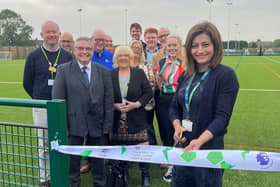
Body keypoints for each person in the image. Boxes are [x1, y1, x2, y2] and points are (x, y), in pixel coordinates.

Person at [169, 21, 239, 187]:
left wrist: (199, 141)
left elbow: (222, 118)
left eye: (205, 44)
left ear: (215, 45)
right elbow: (174, 107)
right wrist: (177, 125)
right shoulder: (186, 75)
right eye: (195, 46)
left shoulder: (225, 76)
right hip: (184, 147)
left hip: (208, 150)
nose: (200, 50)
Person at [52, 37, 114, 187]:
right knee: (73, 166)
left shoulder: (104, 72)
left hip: (97, 126)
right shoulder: (63, 70)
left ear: (92, 51)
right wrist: (63, 126)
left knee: (99, 166)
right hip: (73, 126)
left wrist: (107, 128)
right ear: (74, 50)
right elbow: (57, 99)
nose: (84, 52)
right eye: (80, 48)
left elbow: (108, 101)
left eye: (88, 49)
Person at [23, 20, 73, 187]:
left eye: (54, 32)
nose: (51, 35)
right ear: (42, 35)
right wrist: (39, 97)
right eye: (48, 32)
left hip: (63, 106)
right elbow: (27, 83)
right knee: (44, 143)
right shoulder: (33, 56)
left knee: (63, 142)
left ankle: (63, 174)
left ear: (59, 34)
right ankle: (45, 179)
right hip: (42, 106)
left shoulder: (67, 56)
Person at [111, 45, 153, 187]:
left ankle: (145, 174)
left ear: (131, 57)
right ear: (116, 58)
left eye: (126, 56)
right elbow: (105, 96)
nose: (123, 58)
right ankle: (122, 174)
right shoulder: (111, 74)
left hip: (137, 118)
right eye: (120, 56)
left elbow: (148, 93)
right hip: (117, 121)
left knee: (142, 148)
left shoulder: (139, 73)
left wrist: (136, 104)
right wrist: (114, 105)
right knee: (120, 149)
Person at [154, 34, 185, 183]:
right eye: (169, 45)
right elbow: (159, 81)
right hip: (164, 100)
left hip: (180, 100)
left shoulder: (185, 63)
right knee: (165, 130)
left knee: (180, 131)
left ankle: (179, 163)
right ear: (165, 47)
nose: (172, 48)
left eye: (175, 45)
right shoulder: (161, 62)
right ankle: (170, 161)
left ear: (180, 46)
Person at [129, 39, 157, 146]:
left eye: (139, 48)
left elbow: (152, 83)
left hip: (146, 104)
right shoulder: (125, 65)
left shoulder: (147, 65)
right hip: (129, 104)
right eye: (134, 47)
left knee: (148, 128)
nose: (136, 50)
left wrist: (140, 98)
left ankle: (151, 149)